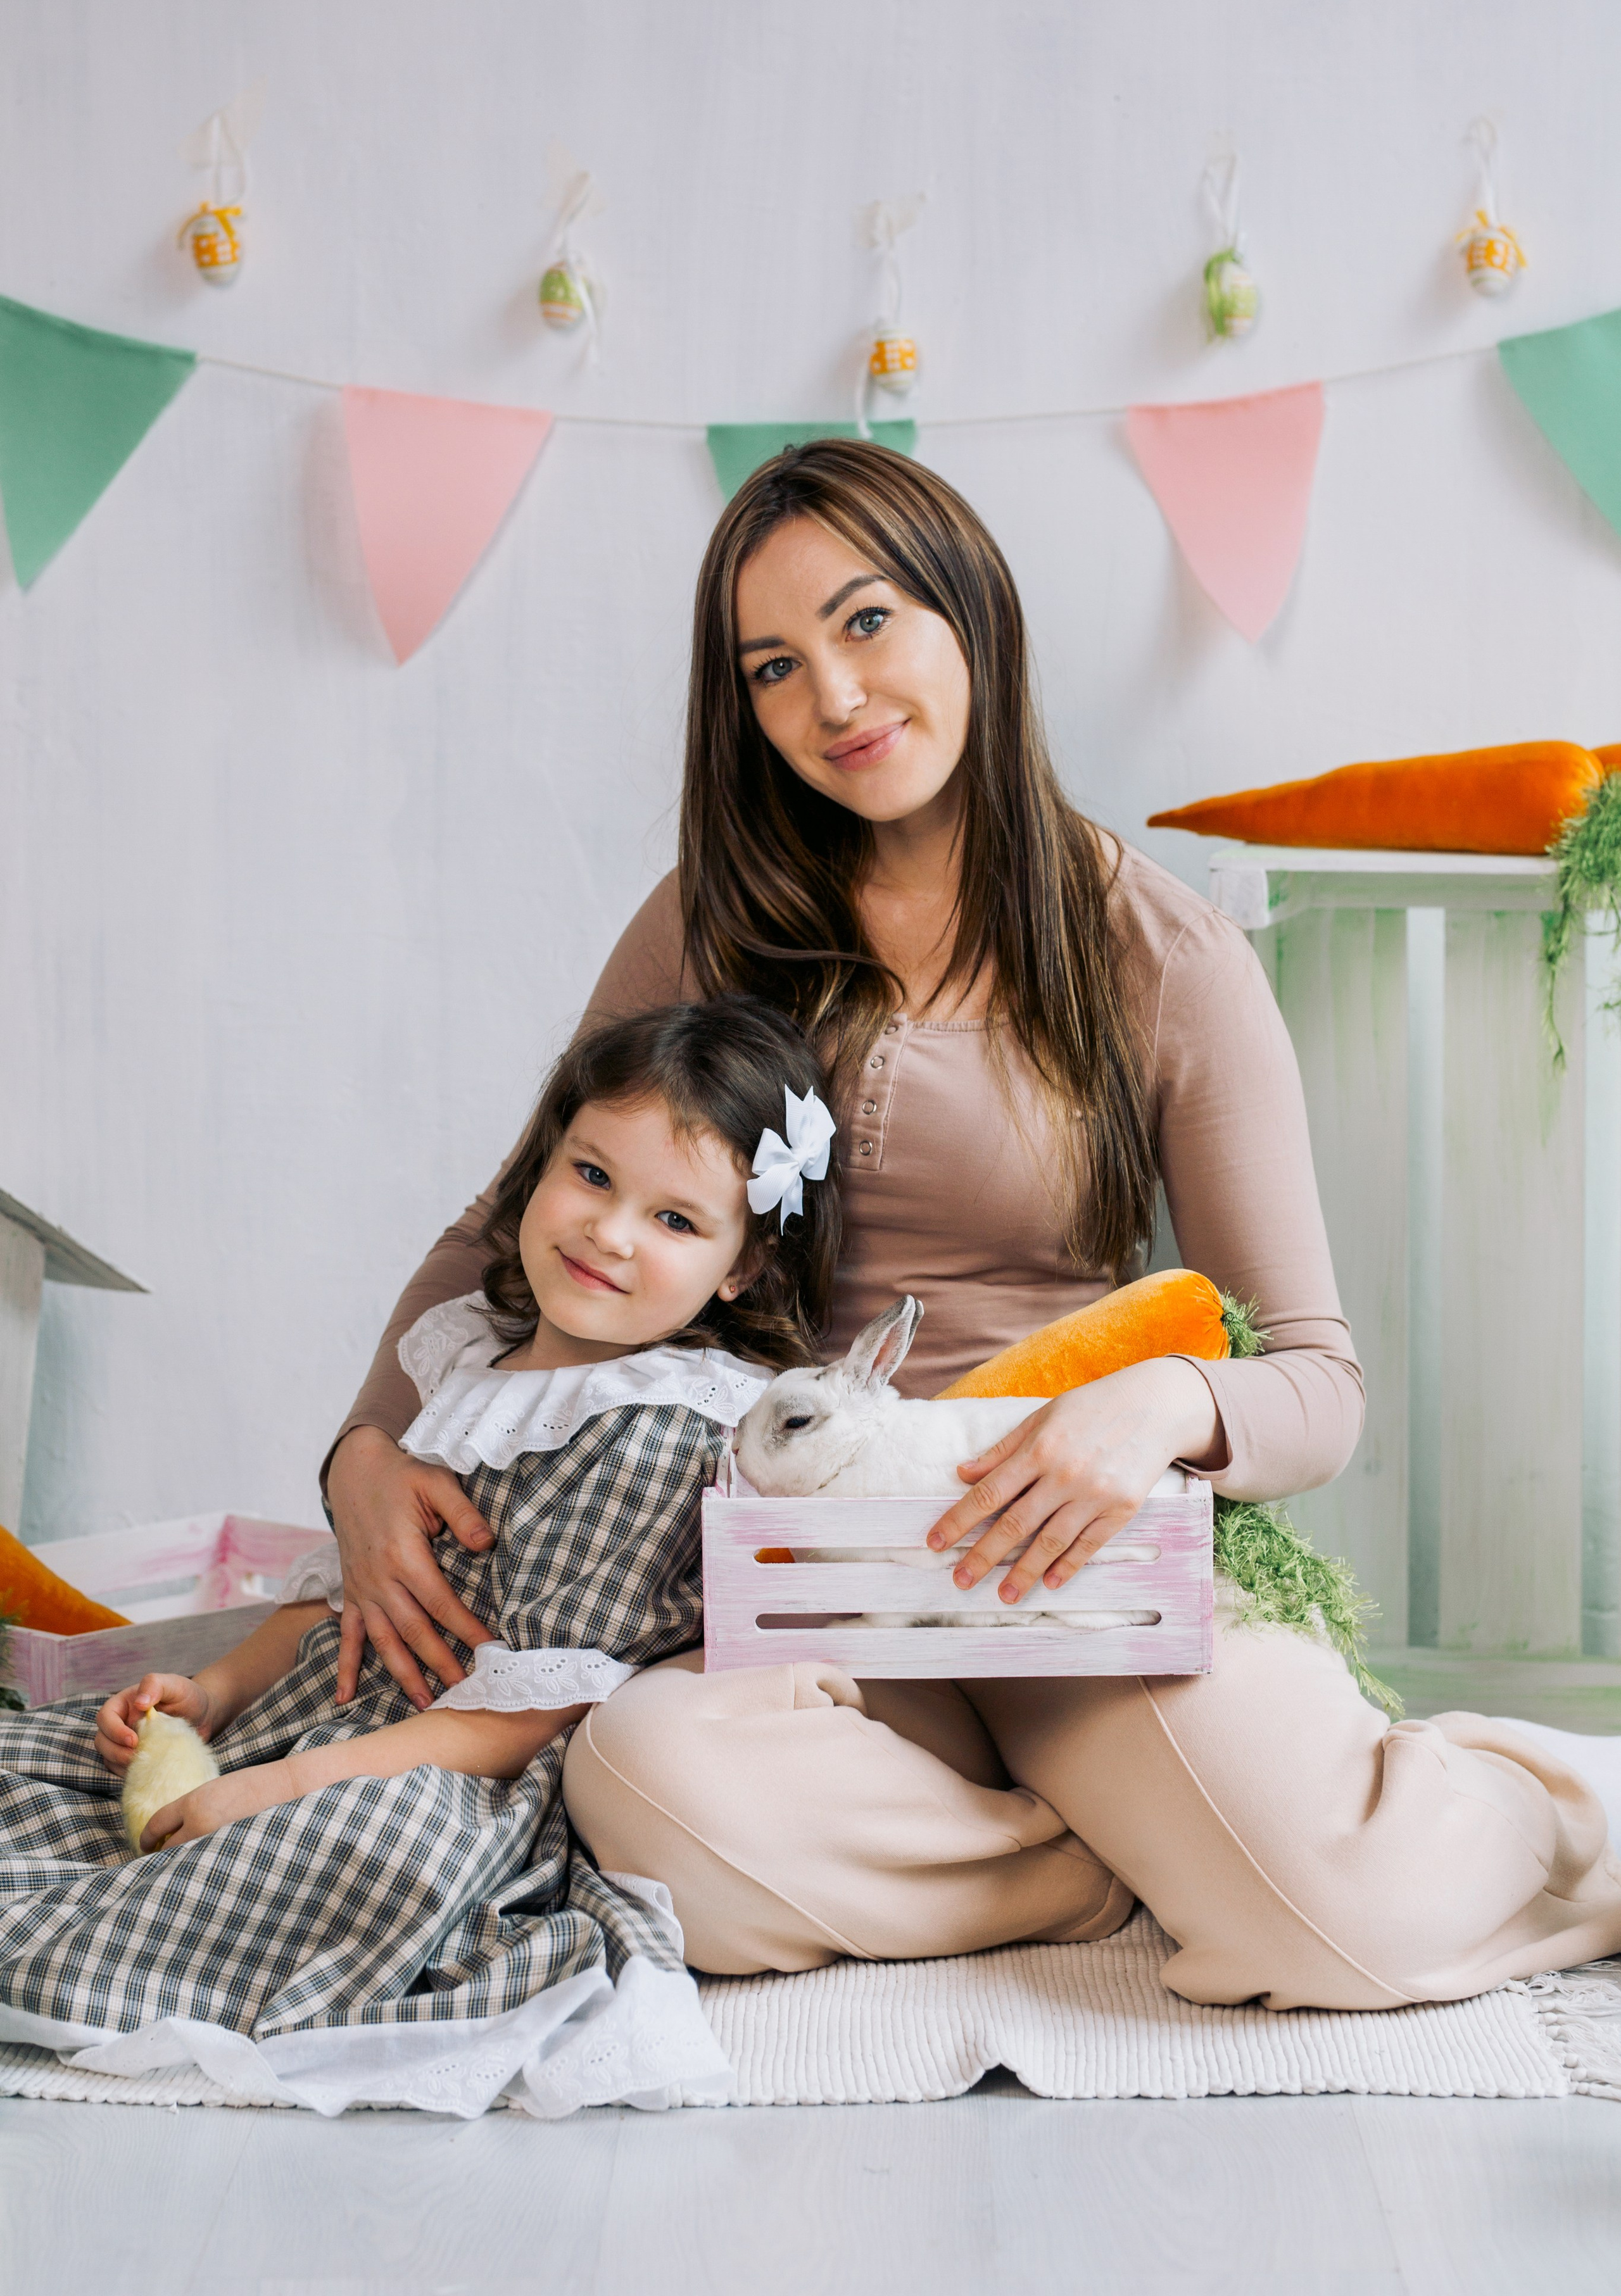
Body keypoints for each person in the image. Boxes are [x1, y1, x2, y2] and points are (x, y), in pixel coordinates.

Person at [328, 440, 1621, 2008]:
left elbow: (1316, 1379)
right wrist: (362, 1458)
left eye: (867, 624)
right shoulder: (708, 920)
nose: (832, 700)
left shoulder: (1166, 957)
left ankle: (1551, 1812)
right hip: (795, 1586)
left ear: (972, 617)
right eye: (773, 667)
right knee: (649, 1788)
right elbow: (505, 1220)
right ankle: (1085, 1869)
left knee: (1355, 1929)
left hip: (1064, 1572)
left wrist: (1163, 1401)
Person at [0, 1000, 837, 2104]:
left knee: (372, 1849)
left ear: (742, 1271)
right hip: (315, 1720)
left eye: (676, 1221)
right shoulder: (464, 1366)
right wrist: (209, 1695)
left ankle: (99, 1957)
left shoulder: (665, 1424)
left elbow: (538, 1707)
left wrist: (289, 1783)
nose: (611, 1232)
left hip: (451, 1765)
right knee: (41, 1759)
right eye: (591, 1176)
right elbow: (337, 1602)